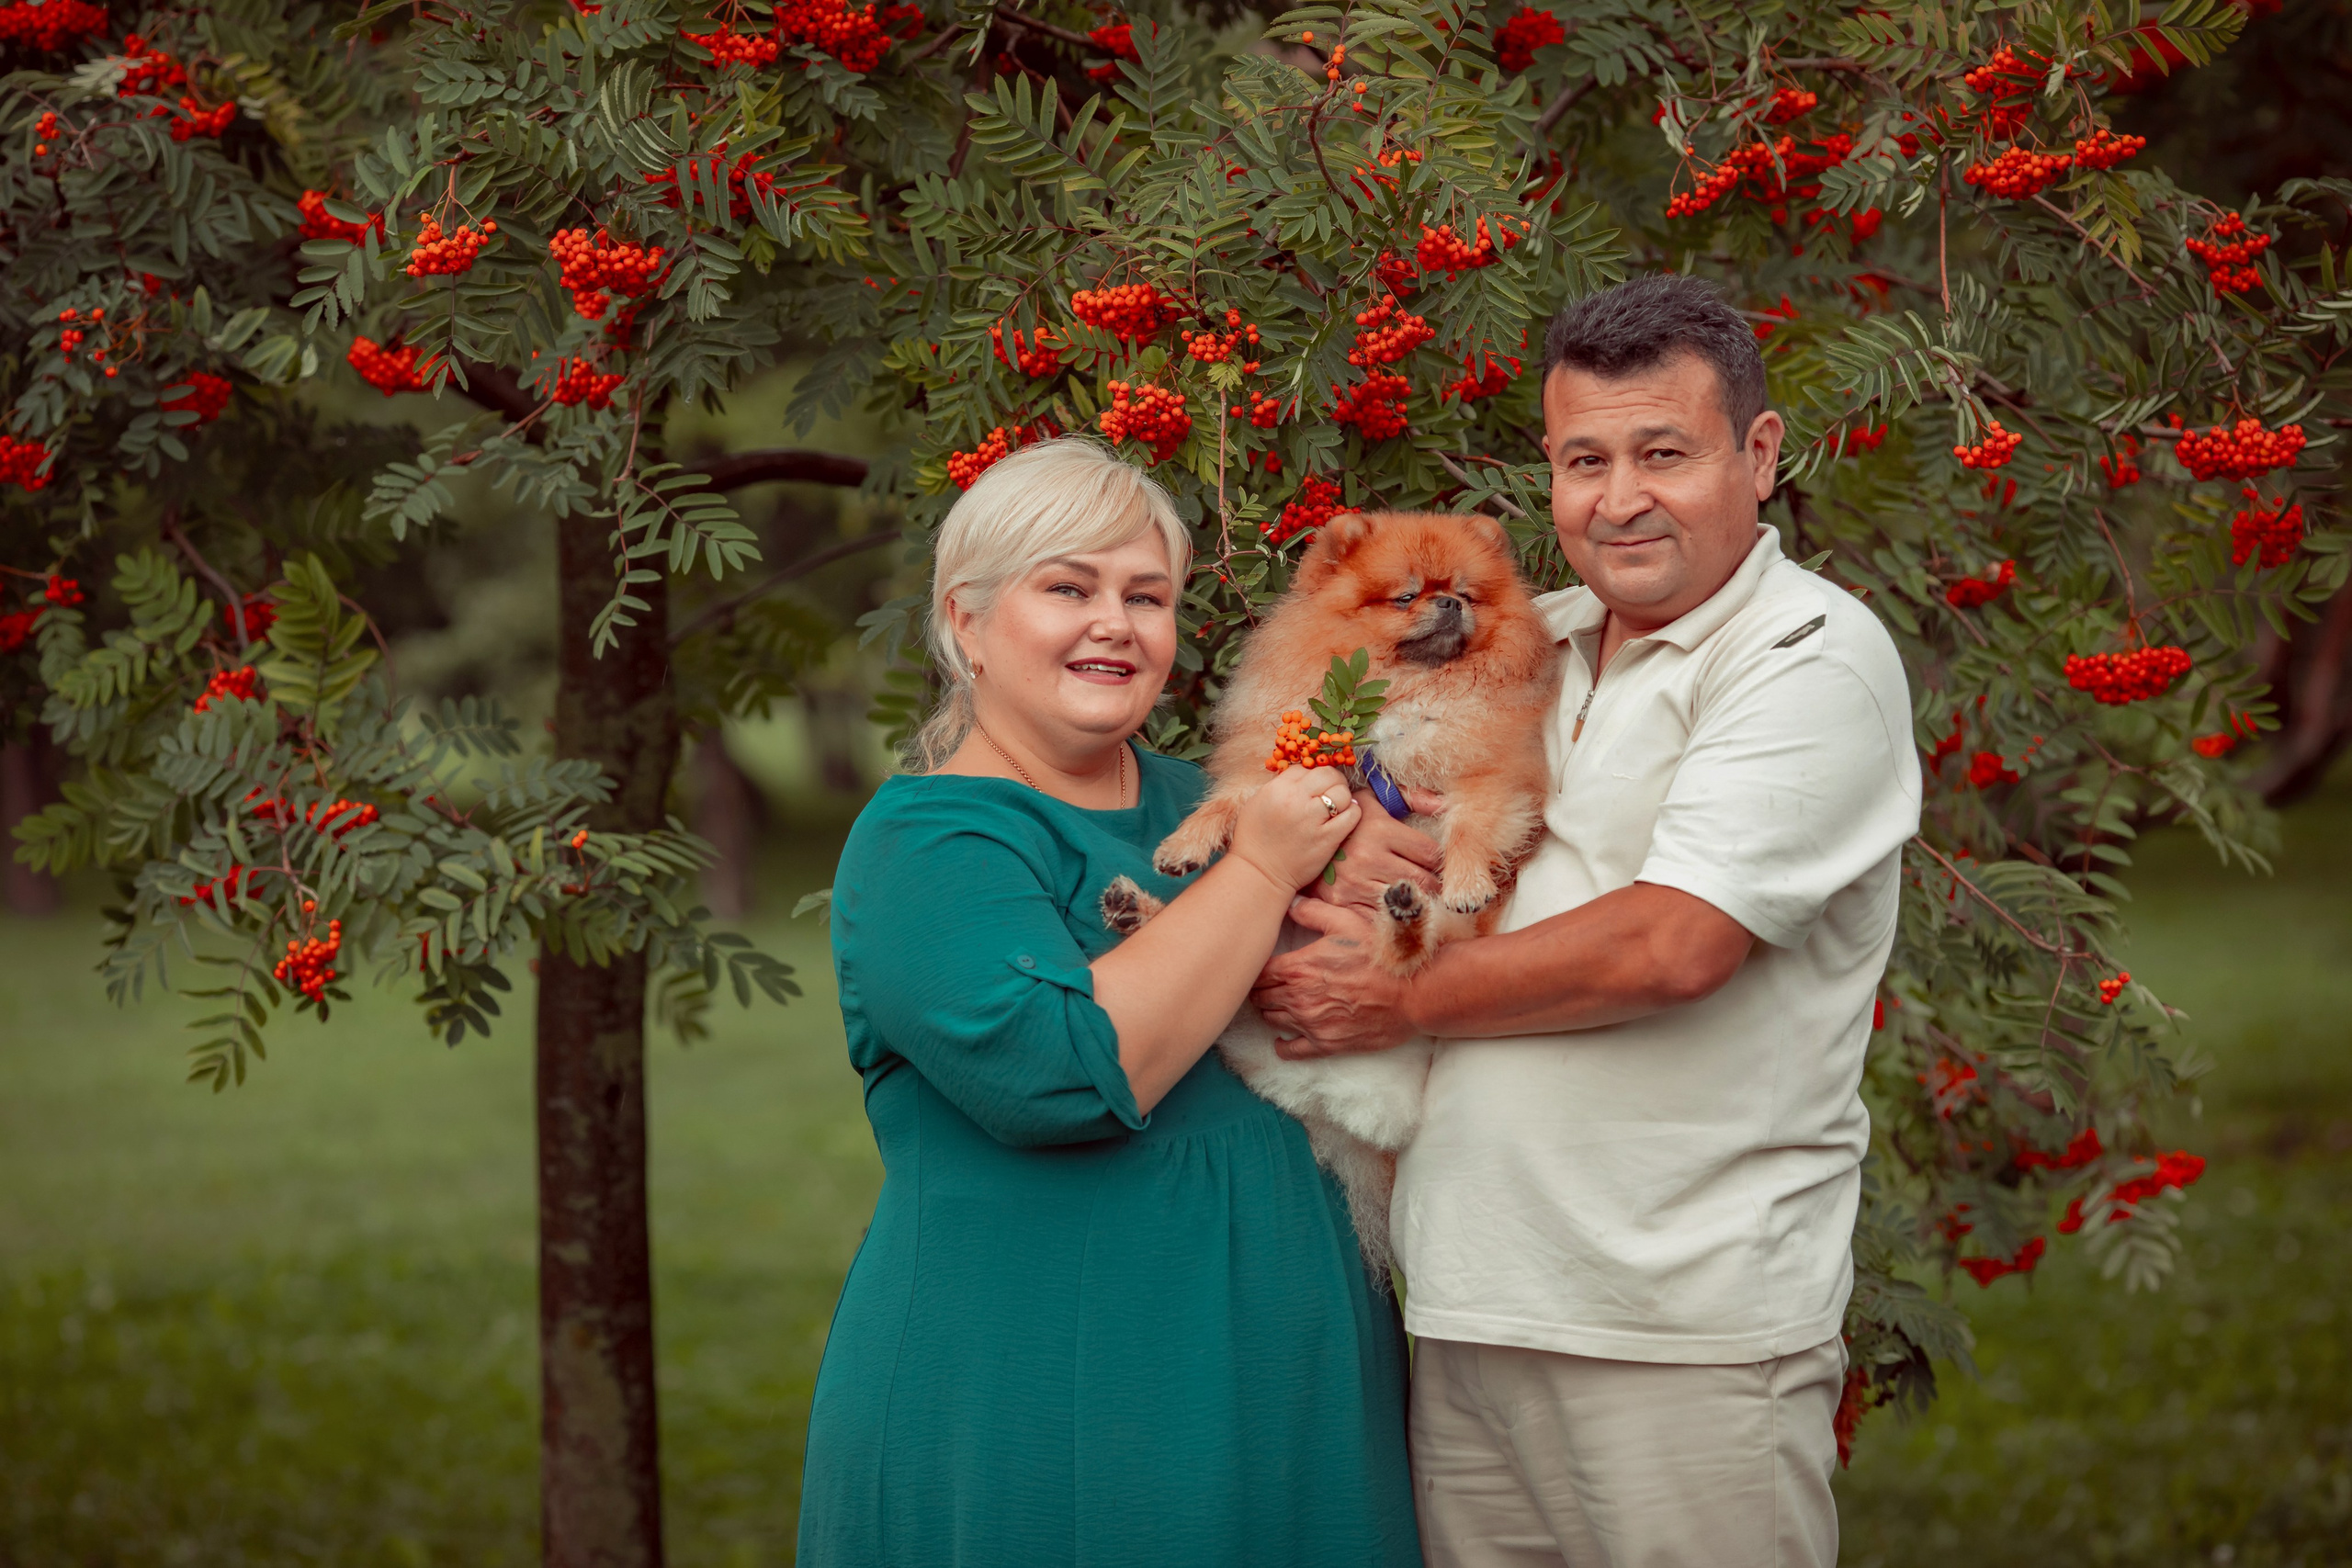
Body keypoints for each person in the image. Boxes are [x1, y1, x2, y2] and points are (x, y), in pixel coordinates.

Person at [1254, 274, 1923, 1568]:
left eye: (1663, 453)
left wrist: (1392, 998)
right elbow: (1345, 789)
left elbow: (1674, 942)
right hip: (1468, 1306)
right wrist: (1356, 841)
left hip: (1680, 1331)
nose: (1619, 497)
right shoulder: (1526, 640)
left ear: (1761, 453)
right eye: (1584, 458)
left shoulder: (1808, 656)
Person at [797, 437, 1420, 1567]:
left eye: (1147, 596)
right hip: (1044, 1409)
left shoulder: (1221, 803)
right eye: (1067, 588)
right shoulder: (929, 840)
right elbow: (1060, 1072)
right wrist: (1265, 872)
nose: (1115, 624)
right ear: (967, 621)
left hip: (1291, 1403)